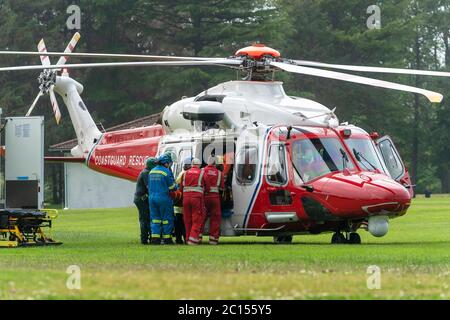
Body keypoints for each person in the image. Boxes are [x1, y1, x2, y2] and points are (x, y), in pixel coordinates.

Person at [148, 153, 178, 245]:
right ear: (166, 163)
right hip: (163, 198)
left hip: (152, 198)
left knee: (155, 218)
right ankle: (167, 239)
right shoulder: (166, 172)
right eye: (169, 163)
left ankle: (155, 239)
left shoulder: (151, 171)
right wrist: (177, 186)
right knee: (167, 219)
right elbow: (172, 187)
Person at [182, 158, 208, 245]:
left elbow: (181, 187)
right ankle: (193, 240)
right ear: (199, 165)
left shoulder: (185, 173)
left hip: (185, 198)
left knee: (187, 219)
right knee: (197, 219)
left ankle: (187, 238)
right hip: (196, 198)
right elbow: (207, 186)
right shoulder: (202, 173)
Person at [133, 157, 157, 245]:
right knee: (145, 219)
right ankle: (144, 239)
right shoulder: (146, 173)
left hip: (141, 198)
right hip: (142, 199)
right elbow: (149, 187)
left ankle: (146, 238)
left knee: (145, 218)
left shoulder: (145, 172)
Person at [203, 155, 225, 245]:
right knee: (215, 218)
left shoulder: (202, 170)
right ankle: (213, 240)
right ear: (215, 163)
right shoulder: (219, 173)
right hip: (215, 198)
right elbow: (222, 188)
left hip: (204, 197)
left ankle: (198, 237)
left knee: (201, 218)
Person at [173, 157, 192, 244]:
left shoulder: (182, 173)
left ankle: (179, 239)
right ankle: (183, 238)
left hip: (179, 204)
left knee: (179, 223)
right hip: (181, 204)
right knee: (183, 223)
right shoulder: (184, 174)